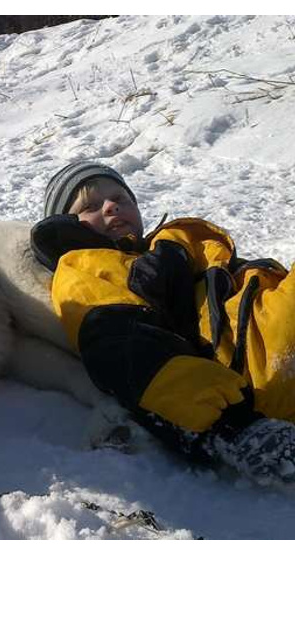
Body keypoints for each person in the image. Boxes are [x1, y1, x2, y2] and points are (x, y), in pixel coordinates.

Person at [31, 160, 295, 485]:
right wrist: (232, 425)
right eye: (91, 205)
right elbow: (134, 353)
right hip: (261, 367)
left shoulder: (171, 245)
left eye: (121, 198)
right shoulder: (86, 272)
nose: (112, 206)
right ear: (65, 222)